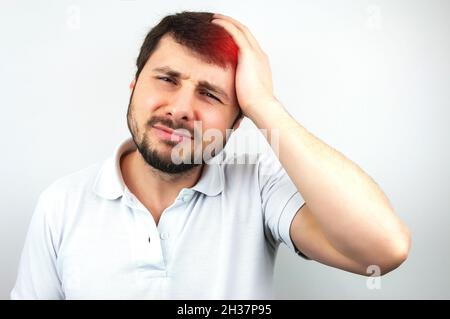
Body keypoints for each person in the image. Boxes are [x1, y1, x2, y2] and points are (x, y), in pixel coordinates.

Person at [11, 11, 411, 299]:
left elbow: (384, 249)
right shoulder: (60, 204)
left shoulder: (258, 188)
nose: (181, 108)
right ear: (133, 86)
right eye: (167, 79)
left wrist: (264, 105)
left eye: (210, 94)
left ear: (237, 124)